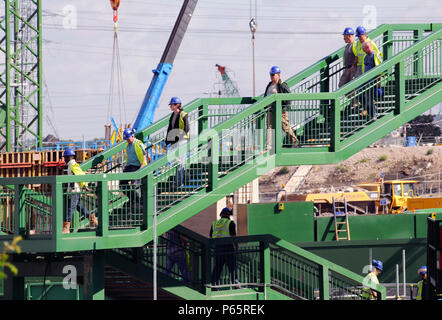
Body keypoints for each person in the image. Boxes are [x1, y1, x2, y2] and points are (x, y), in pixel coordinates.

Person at [62, 149, 97, 234]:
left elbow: (81, 175)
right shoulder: (72, 165)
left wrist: (85, 186)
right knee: (79, 207)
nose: (64, 159)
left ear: (69, 157)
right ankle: (91, 217)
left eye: (65, 157)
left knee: (70, 209)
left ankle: (66, 228)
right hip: (74, 191)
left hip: (74, 191)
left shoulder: (73, 165)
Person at [264, 66, 298, 147]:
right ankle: (269, 146)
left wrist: (285, 108)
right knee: (269, 127)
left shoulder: (282, 85)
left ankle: (294, 140)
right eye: (271, 75)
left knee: (285, 126)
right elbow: (265, 97)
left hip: (280, 110)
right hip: (270, 110)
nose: (272, 76)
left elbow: (289, 97)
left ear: (278, 75)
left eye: (273, 75)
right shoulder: (269, 85)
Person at [210, 207, 239, 287]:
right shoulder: (231, 223)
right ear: (229, 215)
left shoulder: (214, 224)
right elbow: (234, 238)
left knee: (217, 268)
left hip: (218, 248)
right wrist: (236, 249)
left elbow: (211, 237)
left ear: (221, 215)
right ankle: (235, 283)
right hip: (228, 247)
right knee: (232, 267)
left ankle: (213, 284)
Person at [121, 128, 147, 212]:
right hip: (129, 166)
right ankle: (133, 199)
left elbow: (144, 155)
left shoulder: (138, 144)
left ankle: (137, 201)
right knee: (122, 184)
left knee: (135, 185)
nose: (127, 140)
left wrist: (142, 167)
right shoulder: (127, 145)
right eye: (126, 139)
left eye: (128, 138)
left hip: (137, 166)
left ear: (132, 136)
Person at [165, 97, 190, 186]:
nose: (170, 106)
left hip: (181, 141)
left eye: (171, 105)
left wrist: (179, 137)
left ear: (177, 105)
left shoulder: (183, 114)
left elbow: (186, 128)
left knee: (180, 161)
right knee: (176, 161)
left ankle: (179, 182)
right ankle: (184, 177)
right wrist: (167, 140)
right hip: (174, 141)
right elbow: (170, 128)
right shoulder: (172, 115)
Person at [358, 41, 383, 119]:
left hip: (372, 81)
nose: (363, 51)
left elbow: (380, 68)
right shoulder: (366, 56)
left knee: (369, 98)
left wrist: (379, 81)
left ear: (368, 47)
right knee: (360, 95)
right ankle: (369, 112)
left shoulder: (375, 55)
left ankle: (373, 115)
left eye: (364, 49)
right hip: (365, 81)